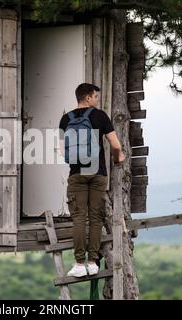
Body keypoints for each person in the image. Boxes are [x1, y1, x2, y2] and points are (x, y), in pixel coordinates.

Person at [58, 83, 125, 277]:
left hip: (76, 174)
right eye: (95, 96)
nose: (96, 99)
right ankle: (93, 262)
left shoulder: (65, 119)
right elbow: (115, 144)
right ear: (87, 97)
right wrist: (117, 157)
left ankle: (79, 264)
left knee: (79, 218)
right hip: (97, 173)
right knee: (95, 217)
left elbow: (63, 152)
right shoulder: (100, 116)